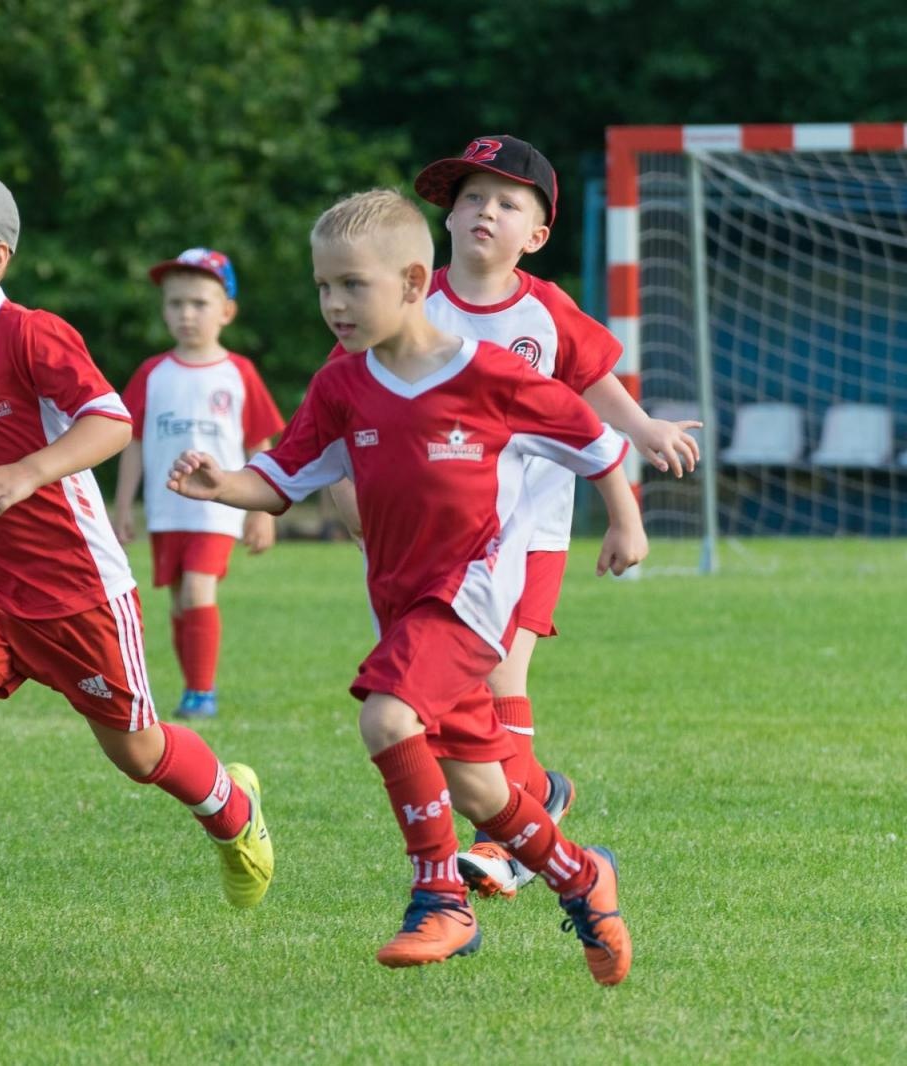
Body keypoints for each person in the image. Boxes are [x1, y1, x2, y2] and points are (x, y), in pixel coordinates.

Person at [166, 188, 641, 984]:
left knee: (387, 717)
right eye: (324, 286)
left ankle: (440, 899)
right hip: (398, 599)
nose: (334, 303)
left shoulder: (488, 375)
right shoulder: (342, 387)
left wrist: (625, 520)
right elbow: (283, 475)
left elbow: (593, 440)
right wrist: (224, 484)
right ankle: (582, 878)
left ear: (415, 282)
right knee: (481, 790)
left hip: (473, 595)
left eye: (353, 285)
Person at [0, 159, 274, 946]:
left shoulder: (30, 334)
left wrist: (27, 472)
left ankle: (231, 809)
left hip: (78, 592)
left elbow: (110, 422)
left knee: (138, 752)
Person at [411, 135, 701, 898]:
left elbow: (593, 380)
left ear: (535, 237)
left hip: (530, 530)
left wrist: (643, 430)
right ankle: (540, 794)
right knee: (453, 700)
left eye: (507, 203)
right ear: (447, 215)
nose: (486, 211)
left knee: (500, 676)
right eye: (472, 197)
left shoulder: (544, 311)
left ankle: (500, 841)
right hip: (440, 537)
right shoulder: (415, 307)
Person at [114, 248, 286, 718]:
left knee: (196, 589)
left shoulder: (238, 373)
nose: (186, 314)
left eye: (199, 303)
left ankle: (202, 692)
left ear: (227, 311)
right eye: (175, 303)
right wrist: (124, 507)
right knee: (177, 598)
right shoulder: (152, 373)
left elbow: (260, 444)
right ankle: (192, 685)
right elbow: (131, 441)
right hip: (166, 509)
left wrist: (262, 510)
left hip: (219, 508)